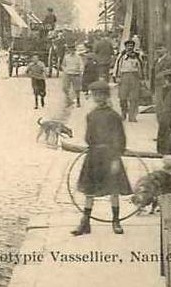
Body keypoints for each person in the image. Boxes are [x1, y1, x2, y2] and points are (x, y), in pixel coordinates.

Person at [71, 80, 131, 236]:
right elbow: (88, 137)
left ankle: (116, 221)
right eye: (95, 95)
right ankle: (85, 222)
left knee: (114, 190)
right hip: (93, 157)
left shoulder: (114, 116)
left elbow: (120, 139)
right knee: (89, 191)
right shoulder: (91, 115)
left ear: (106, 96)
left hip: (110, 156)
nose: (98, 98)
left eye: (101, 95)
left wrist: (116, 159)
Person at [113, 39, 144, 122]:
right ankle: (123, 113)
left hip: (135, 77)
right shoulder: (121, 56)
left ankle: (132, 116)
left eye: (131, 46)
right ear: (125, 47)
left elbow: (141, 67)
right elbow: (117, 66)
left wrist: (142, 78)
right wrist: (116, 77)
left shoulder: (137, 56)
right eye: (128, 46)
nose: (129, 48)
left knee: (134, 97)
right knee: (123, 97)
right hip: (124, 77)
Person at [152, 44, 171, 113]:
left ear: (166, 50)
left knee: (165, 104)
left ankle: (165, 120)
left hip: (166, 85)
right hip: (158, 85)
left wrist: (163, 74)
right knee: (159, 104)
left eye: (160, 49)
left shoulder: (170, 59)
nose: (158, 51)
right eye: (157, 49)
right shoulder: (157, 60)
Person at [62, 43, 87, 108]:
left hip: (76, 74)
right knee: (65, 88)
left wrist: (81, 71)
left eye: (72, 49)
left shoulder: (78, 57)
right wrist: (65, 70)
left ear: (74, 50)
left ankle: (78, 101)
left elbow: (81, 65)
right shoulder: (66, 57)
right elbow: (63, 65)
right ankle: (68, 101)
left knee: (77, 89)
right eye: (70, 49)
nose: (71, 51)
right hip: (68, 74)